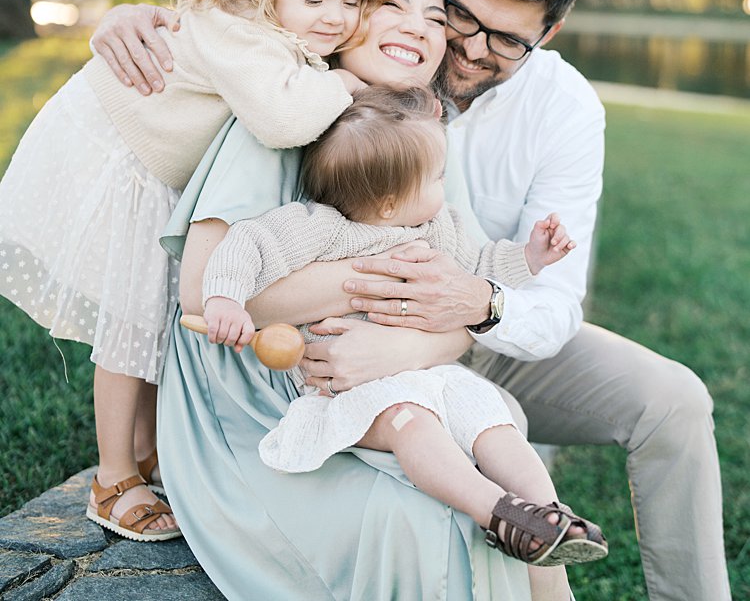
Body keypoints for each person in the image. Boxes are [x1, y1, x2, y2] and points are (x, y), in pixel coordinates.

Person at [94, 0, 730, 601]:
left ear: (548, 36)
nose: (468, 48)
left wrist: (443, 328)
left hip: (483, 331)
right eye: (458, 16)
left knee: (674, 402)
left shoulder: (564, 109)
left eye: (508, 41)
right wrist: (146, 19)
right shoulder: (327, 87)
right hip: (345, 354)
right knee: (436, 474)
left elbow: (547, 309)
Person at [0, 0, 386, 542]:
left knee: (150, 316)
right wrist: (347, 85)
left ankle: (147, 450)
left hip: (148, 164)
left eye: (350, 2)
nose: (335, 17)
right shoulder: (241, 30)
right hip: (120, 156)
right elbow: (285, 119)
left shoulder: (268, 33)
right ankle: (113, 476)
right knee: (132, 321)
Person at [202, 83, 607, 601]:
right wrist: (225, 299)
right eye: (437, 177)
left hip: (434, 374)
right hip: (355, 390)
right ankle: (499, 513)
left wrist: (528, 259)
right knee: (414, 424)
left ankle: (550, 519)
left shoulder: (440, 229)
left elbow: (480, 268)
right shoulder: (322, 230)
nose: (446, 186)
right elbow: (249, 243)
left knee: (493, 420)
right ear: (392, 203)